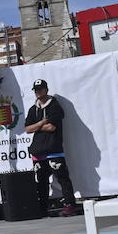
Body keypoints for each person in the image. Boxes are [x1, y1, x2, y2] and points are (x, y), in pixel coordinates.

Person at [25, 79, 78, 216]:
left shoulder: (54, 106)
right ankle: (42, 208)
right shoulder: (33, 109)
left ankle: (70, 205)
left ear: (46, 90)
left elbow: (52, 127)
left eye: (41, 89)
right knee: (41, 182)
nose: (38, 92)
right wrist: (42, 122)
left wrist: (36, 126)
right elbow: (27, 129)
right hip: (38, 152)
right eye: (36, 90)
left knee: (63, 179)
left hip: (54, 151)